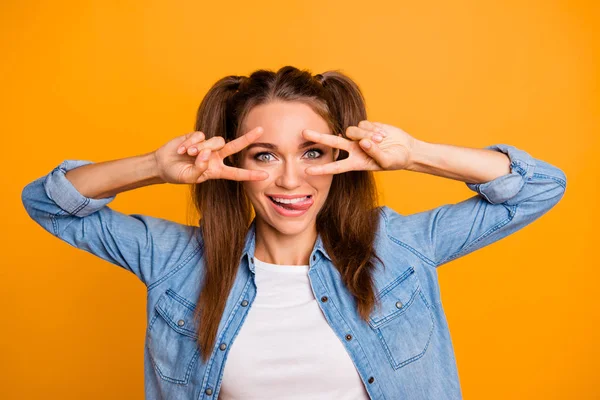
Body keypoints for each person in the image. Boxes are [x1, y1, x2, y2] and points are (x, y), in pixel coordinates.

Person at [21, 65, 567, 400]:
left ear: (341, 158)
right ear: (233, 162)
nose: (290, 179)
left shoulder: (398, 249)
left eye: (313, 153)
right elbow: (48, 203)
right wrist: (153, 167)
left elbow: (540, 186)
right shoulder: (176, 261)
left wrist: (414, 156)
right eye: (264, 155)